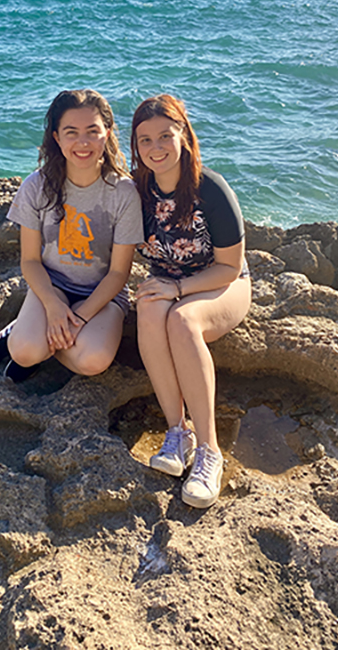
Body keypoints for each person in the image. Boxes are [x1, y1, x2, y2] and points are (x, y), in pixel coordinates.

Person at [131, 94, 251, 508]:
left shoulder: (210, 188)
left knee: (182, 320)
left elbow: (229, 267)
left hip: (222, 283)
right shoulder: (137, 192)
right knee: (147, 307)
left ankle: (209, 453)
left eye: (166, 135)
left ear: (184, 136)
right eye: (145, 140)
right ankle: (177, 433)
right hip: (168, 284)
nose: (156, 147)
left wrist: (179, 289)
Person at [0, 89, 143, 381]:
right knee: (25, 352)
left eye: (93, 131)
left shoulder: (125, 193)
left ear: (108, 133)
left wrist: (78, 319)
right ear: (56, 137)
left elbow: (119, 273)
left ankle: (45, 341)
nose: (83, 142)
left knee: (94, 361)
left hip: (102, 294)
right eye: (71, 132)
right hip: (51, 288)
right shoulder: (36, 186)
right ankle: (21, 334)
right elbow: (29, 261)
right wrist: (54, 309)